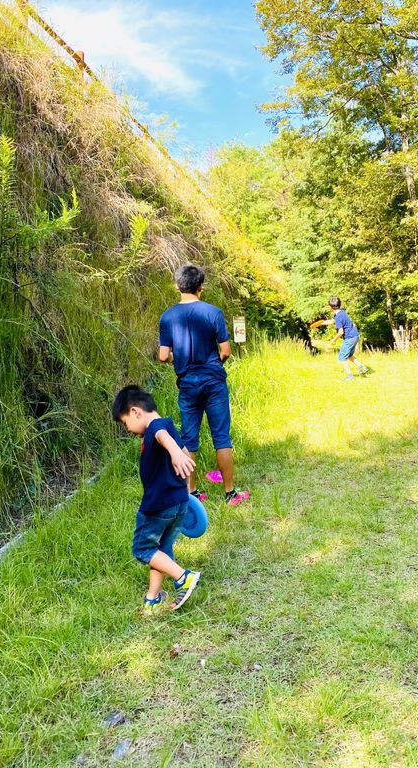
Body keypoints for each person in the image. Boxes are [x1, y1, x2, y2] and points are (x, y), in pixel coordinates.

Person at [158, 264, 250, 506]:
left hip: (187, 383)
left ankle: (192, 494)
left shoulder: (167, 317)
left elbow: (162, 355)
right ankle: (230, 494)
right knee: (221, 437)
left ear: (178, 286)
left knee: (189, 439)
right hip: (213, 381)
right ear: (200, 287)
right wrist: (214, 363)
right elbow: (226, 351)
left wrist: (175, 360)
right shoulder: (213, 312)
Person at [112, 385, 201, 615]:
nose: (128, 429)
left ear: (134, 412)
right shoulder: (168, 423)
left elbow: (165, 440)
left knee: (142, 548)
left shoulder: (155, 428)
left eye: (124, 423)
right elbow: (183, 449)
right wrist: (186, 487)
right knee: (161, 549)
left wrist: (173, 453)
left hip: (158, 506)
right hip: (179, 502)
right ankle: (153, 598)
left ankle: (184, 577)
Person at [316, 296, 369, 380]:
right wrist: (320, 323)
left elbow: (341, 332)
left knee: (342, 357)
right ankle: (362, 368)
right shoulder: (341, 312)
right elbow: (332, 321)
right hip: (355, 336)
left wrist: (334, 339)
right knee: (349, 355)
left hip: (349, 338)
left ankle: (350, 376)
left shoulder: (339, 317)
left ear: (330, 307)